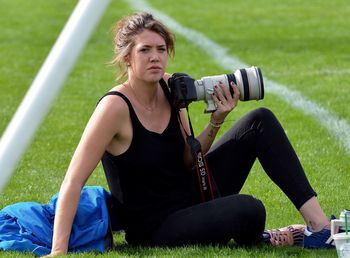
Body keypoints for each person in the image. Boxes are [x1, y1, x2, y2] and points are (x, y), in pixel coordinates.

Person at [47, 12, 334, 256]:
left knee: (260, 121)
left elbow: (188, 160)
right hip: (154, 226)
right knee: (249, 209)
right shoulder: (114, 107)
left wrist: (216, 121)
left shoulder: (171, 87)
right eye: (145, 50)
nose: (155, 57)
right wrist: (58, 251)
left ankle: (319, 227)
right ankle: (265, 237)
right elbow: (74, 179)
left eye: (161, 49)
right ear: (127, 58)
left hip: (188, 196)